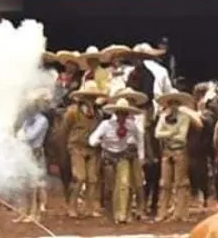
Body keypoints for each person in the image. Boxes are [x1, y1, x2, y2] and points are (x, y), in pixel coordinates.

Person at [88, 97, 145, 225]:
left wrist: (141, 155)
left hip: (123, 156)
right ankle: (112, 212)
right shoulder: (106, 125)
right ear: (115, 113)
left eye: (125, 113)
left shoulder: (131, 126)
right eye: (120, 113)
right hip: (108, 157)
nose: (122, 116)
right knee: (111, 187)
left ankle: (122, 214)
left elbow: (139, 138)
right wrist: (100, 141)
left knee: (124, 184)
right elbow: (92, 140)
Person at [153, 91, 202, 222]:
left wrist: (167, 133)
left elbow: (182, 137)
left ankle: (180, 212)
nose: (173, 106)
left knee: (181, 183)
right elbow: (157, 134)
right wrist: (173, 132)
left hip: (180, 151)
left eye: (175, 103)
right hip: (167, 151)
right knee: (164, 183)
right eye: (171, 103)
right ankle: (162, 212)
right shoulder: (163, 117)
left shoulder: (184, 117)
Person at [59, 82, 105, 218]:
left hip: (93, 149)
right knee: (79, 177)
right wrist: (64, 150)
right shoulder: (72, 112)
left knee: (92, 179)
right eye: (88, 97)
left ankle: (89, 208)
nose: (91, 100)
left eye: (93, 97)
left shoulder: (98, 114)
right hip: (76, 147)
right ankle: (71, 206)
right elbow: (63, 131)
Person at [15, 93, 51, 223]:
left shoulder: (42, 120)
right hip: (26, 152)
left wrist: (21, 135)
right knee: (24, 184)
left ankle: (35, 213)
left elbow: (29, 136)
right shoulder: (28, 120)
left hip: (35, 153)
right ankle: (25, 211)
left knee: (34, 184)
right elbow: (22, 135)